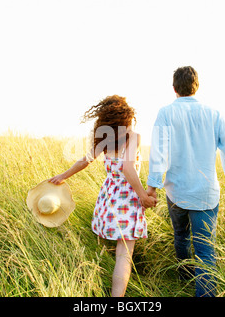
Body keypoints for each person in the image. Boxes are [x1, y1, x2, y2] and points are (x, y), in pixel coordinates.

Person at [146, 66, 225, 297]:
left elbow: (158, 153)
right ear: (196, 86)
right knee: (205, 250)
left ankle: (185, 277)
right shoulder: (214, 114)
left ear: (174, 89)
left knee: (180, 236)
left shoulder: (165, 113)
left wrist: (151, 188)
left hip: (176, 193)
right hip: (205, 194)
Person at [49, 95, 157, 297]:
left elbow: (84, 161)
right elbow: (127, 168)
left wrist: (63, 176)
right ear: (126, 117)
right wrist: (142, 195)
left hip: (107, 199)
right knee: (124, 256)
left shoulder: (105, 140)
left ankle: (92, 285)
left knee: (101, 248)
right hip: (127, 200)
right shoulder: (133, 137)